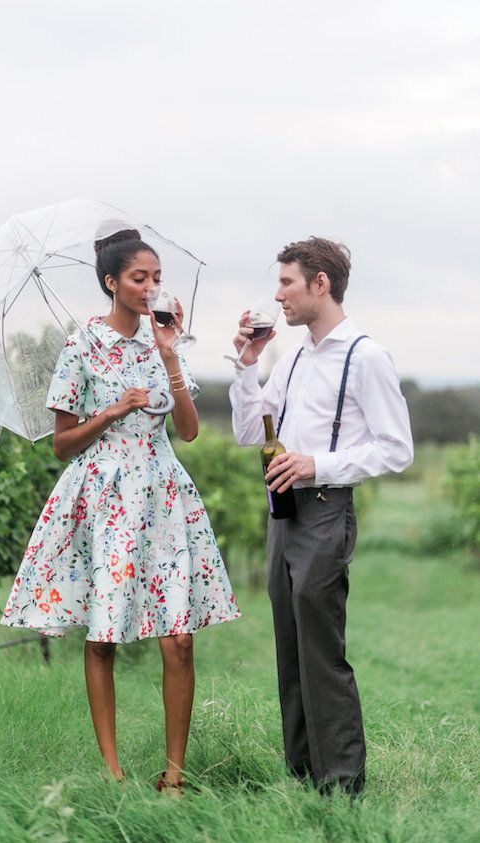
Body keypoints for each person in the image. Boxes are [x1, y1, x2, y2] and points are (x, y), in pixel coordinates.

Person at [1, 228, 240, 792]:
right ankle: (112, 774)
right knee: (103, 636)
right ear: (112, 282)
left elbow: (188, 430)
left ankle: (174, 777)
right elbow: (62, 443)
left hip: (161, 493)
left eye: (157, 278)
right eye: (140, 277)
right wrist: (111, 411)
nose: (151, 287)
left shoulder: (163, 343)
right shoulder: (81, 346)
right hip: (103, 495)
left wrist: (169, 355)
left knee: (179, 636)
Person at [229, 237, 413, 794]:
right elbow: (246, 432)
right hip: (280, 514)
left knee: (321, 652)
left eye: (286, 283)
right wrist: (246, 367)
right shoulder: (294, 356)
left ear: (320, 284)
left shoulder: (366, 356)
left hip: (328, 510)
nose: (277, 295)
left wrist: (317, 465)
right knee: (290, 648)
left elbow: (397, 448)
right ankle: (302, 774)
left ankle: (342, 785)